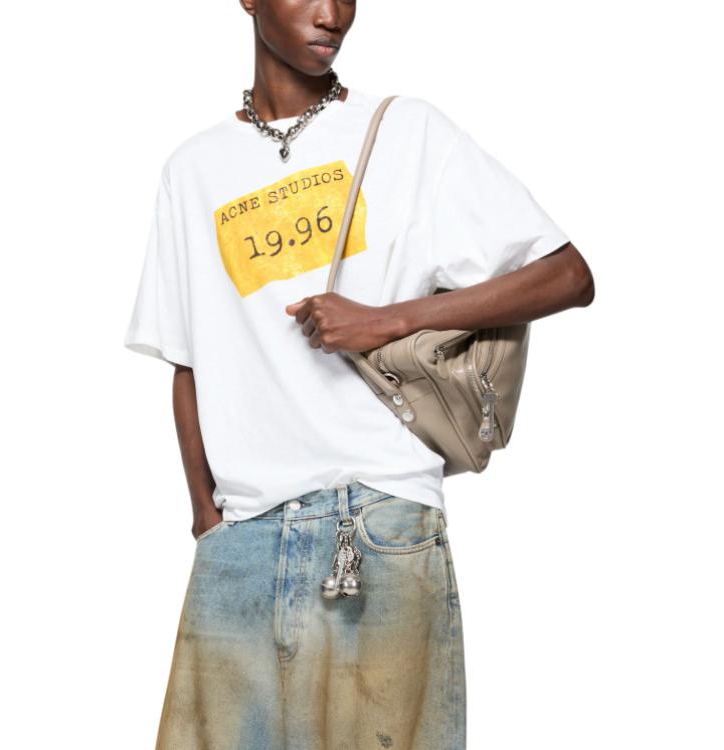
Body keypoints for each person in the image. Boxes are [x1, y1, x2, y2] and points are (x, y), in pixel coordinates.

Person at [123, 1, 595, 748]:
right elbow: (186, 355)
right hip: (241, 536)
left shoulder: (408, 133)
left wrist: (389, 319)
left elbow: (567, 275)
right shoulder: (194, 169)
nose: (333, 12)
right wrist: (206, 519)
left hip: (378, 521)